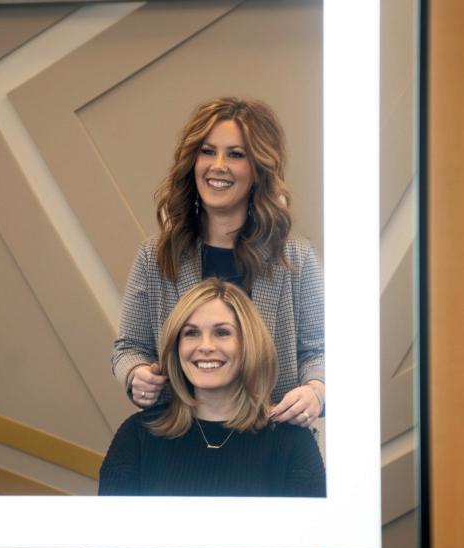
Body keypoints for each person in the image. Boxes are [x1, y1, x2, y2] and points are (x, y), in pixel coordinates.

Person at [112, 97, 324, 427]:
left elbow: (320, 351)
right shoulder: (154, 256)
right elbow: (129, 348)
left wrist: (317, 390)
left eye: (236, 154)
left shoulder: (295, 258)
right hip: (180, 436)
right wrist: (135, 373)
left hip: (272, 437)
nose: (218, 165)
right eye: (208, 151)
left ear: (259, 169)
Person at [98, 279, 325, 548]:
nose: (205, 347)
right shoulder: (137, 434)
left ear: (249, 344)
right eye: (191, 333)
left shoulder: (292, 440)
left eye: (222, 332)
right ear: (176, 347)